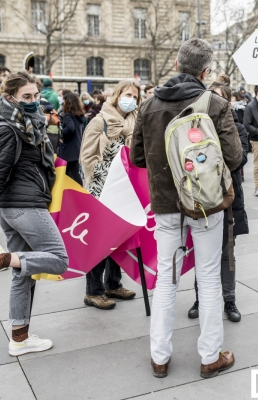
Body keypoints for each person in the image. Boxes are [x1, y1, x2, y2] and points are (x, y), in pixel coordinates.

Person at [130, 38, 241, 379]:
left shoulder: (148, 106)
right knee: (208, 278)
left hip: (164, 203)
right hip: (206, 203)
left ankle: (159, 357)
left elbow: (136, 157)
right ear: (206, 72)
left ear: (176, 65)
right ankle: (210, 356)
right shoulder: (215, 103)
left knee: (166, 278)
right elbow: (235, 157)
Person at [0, 71, 67, 356]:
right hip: (24, 206)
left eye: (35, 96)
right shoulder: (9, 128)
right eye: (26, 97)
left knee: (22, 274)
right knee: (59, 259)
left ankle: (19, 338)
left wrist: (51, 128)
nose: (33, 102)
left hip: (12, 209)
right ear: (9, 98)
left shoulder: (26, 124)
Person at [187, 77, 249, 323]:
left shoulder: (238, 128)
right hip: (202, 196)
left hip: (228, 197)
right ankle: (200, 298)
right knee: (202, 252)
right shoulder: (195, 130)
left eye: (220, 98)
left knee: (227, 251)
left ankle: (229, 298)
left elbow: (239, 159)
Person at [79, 79, 141, 310]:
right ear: (116, 96)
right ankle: (93, 291)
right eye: (127, 94)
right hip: (102, 190)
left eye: (135, 97)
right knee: (100, 241)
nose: (131, 100)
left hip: (127, 190)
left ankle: (113, 283)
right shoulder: (99, 121)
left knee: (120, 238)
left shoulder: (135, 122)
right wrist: (109, 173)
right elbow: (87, 158)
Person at [58, 92, 85, 185]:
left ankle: (80, 194)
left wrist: (61, 135)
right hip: (76, 148)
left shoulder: (68, 115)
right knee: (71, 173)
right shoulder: (78, 115)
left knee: (69, 174)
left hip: (68, 149)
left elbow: (70, 128)